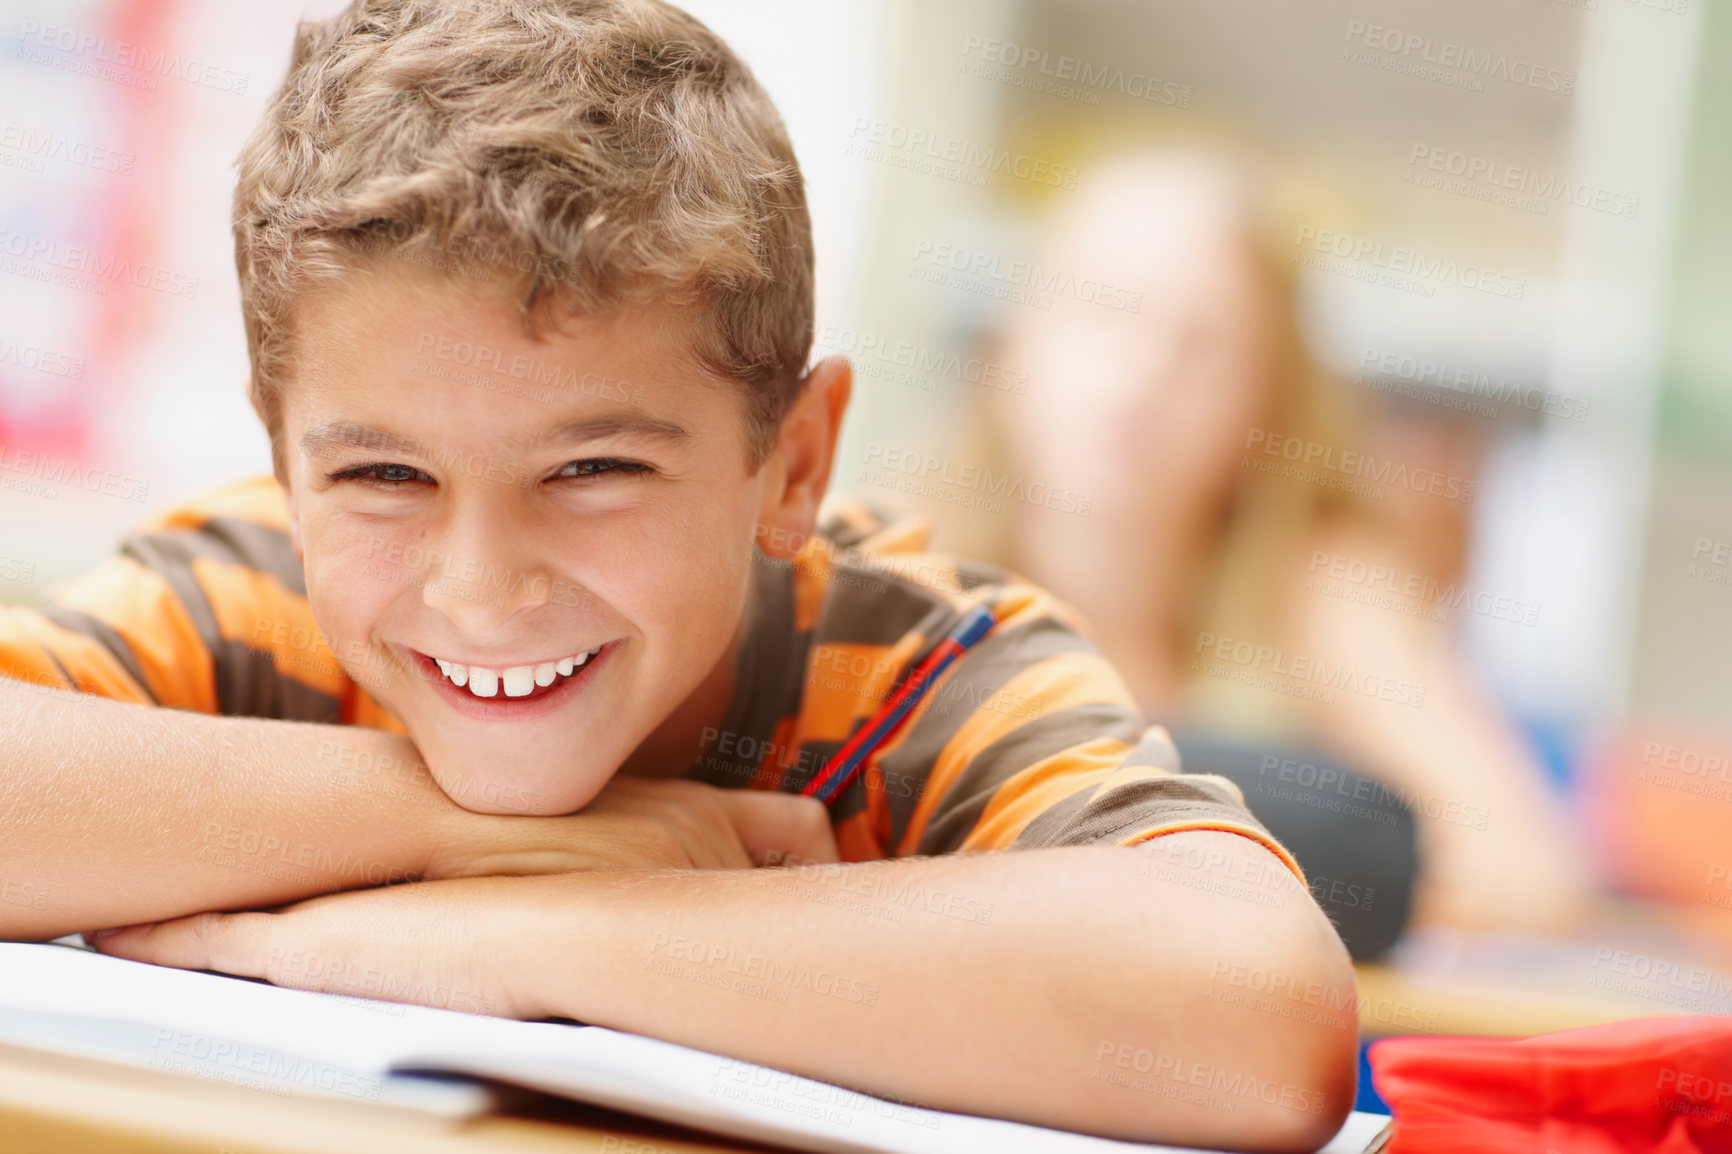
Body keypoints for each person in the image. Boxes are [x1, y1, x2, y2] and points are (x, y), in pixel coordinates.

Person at [0, 4, 1356, 1147]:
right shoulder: (254, 590)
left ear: (793, 464)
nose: (479, 587)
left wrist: (529, 928)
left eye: (594, 470)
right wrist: (460, 833)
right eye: (382, 478)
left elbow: (1260, 1012)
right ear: (283, 456)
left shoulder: (914, 668)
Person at [985, 150, 1589, 936]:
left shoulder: (1322, 589)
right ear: (1013, 341)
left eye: (1201, 345)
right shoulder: (895, 568)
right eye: (1103, 312)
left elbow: (1528, 872)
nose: (1138, 376)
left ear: (1264, 408)